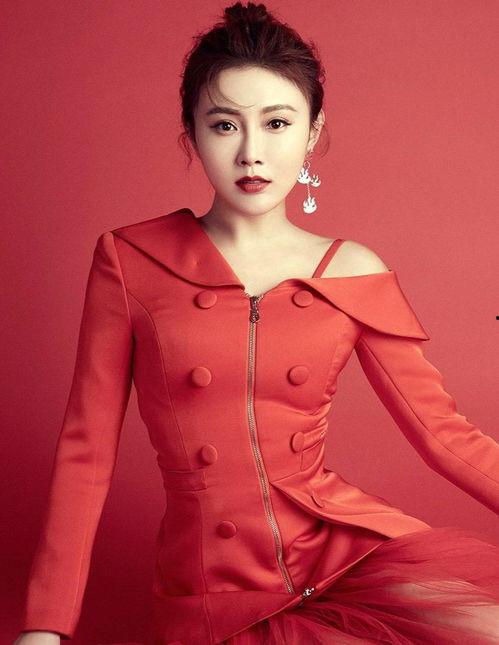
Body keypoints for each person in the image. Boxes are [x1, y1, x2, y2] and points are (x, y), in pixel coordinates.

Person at [14, 2, 499, 644]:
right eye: (224, 125)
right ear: (191, 134)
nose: (251, 153)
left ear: (312, 132)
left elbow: (446, 436)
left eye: (276, 123)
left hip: (344, 554)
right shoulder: (130, 260)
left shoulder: (350, 270)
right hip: (215, 587)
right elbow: (87, 451)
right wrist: (45, 625)